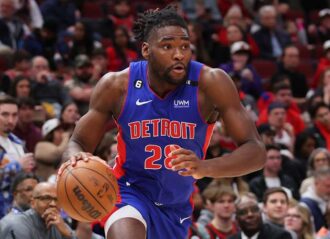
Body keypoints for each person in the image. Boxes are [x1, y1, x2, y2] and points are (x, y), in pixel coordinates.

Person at [59, 5, 266, 239]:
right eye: (167, 46)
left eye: (185, 46)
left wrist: (205, 167)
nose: (179, 54)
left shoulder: (211, 83)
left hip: (176, 206)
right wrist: (74, 159)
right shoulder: (116, 85)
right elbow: (78, 141)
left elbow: (256, 152)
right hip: (127, 190)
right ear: (146, 50)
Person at [0, 182, 76, 239]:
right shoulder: (16, 224)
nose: (53, 204)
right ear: (32, 202)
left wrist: (68, 235)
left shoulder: (61, 225)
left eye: (57, 200)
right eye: (46, 198)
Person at [228, 193, 292, 239]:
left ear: (261, 213)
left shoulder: (280, 236)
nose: (250, 214)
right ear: (236, 219)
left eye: (254, 210)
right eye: (243, 212)